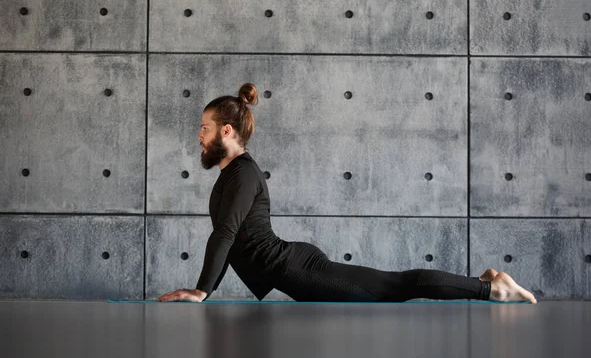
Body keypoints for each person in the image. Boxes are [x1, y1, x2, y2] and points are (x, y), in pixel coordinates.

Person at [157, 83, 537, 304]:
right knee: (393, 286)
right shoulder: (231, 175)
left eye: (204, 127)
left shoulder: (241, 175)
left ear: (226, 131)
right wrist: (205, 291)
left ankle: (493, 289)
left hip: (297, 269)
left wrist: (201, 291)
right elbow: (230, 236)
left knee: (394, 288)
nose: (199, 134)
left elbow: (224, 234)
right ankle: (484, 282)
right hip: (293, 265)